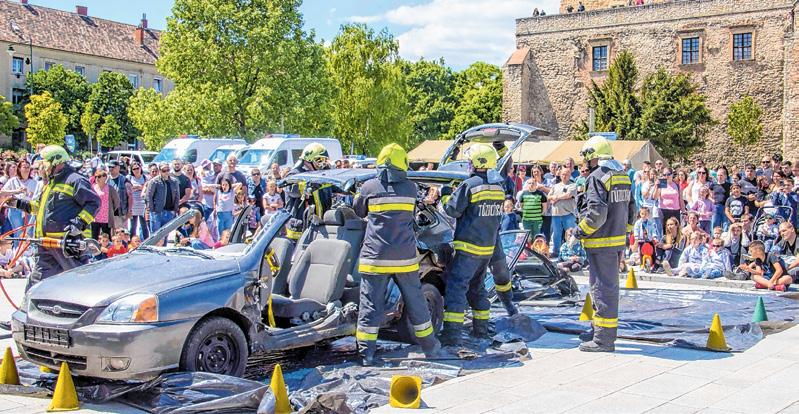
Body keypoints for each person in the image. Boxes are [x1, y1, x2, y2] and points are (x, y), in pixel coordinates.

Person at [353, 143, 441, 366]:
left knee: (370, 306)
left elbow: (358, 211)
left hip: (375, 258)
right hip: (404, 259)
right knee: (417, 303)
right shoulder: (410, 188)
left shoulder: (369, 187)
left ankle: (366, 354)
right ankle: (430, 348)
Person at [2, 146, 100, 290]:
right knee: (36, 283)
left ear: (56, 162)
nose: (42, 168)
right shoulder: (50, 184)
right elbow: (40, 207)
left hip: (66, 244)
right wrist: (18, 203)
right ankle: (32, 304)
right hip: (46, 244)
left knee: (79, 282)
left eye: (44, 163)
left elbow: (94, 203)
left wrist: (78, 223)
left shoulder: (75, 180)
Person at [438, 144, 505, 347]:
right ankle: (481, 331)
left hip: (468, 248)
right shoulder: (498, 188)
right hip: (486, 250)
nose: (468, 164)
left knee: (456, 289)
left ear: (476, 162)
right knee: (478, 289)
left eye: (469, 161)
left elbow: (452, 210)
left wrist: (445, 193)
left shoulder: (469, 185)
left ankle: (452, 335)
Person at [574, 136, 635, 353]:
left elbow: (596, 214)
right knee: (601, 287)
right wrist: (624, 234)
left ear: (592, 156)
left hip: (601, 241)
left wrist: (579, 231)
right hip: (615, 240)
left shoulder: (596, 177)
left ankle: (603, 339)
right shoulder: (621, 175)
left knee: (602, 289)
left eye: (586, 158)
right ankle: (597, 329)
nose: (585, 163)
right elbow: (632, 209)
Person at [284, 143, 332, 240]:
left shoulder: (322, 175)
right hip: (299, 228)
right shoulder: (294, 175)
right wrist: (311, 184)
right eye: (319, 160)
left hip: (319, 226)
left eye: (324, 161)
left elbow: (337, 188)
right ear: (308, 160)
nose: (322, 164)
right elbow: (293, 190)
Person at [549, 165, 578, 254]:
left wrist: (556, 198)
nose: (564, 176)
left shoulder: (573, 185)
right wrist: (554, 198)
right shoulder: (555, 186)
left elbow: (568, 195)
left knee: (571, 234)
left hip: (568, 214)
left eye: (566, 174)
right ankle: (556, 252)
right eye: (563, 174)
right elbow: (549, 196)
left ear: (570, 175)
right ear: (560, 175)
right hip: (556, 214)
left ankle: (573, 252)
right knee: (556, 235)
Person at [145, 163, 180, 234]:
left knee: (165, 234)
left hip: (169, 211)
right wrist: (152, 209)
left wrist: (175, 209)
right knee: (155, 234)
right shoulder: (154, 181)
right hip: (157, 212)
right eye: (164, 170)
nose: (166, 172)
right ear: (160, 171)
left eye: (168, 170)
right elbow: (149, 195)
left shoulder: (174, 181)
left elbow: (177, 196)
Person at [91, 169, 120, 239]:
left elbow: (117, 201)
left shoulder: (110, 188)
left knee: (106, 236)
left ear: (104, 177)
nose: (97, 178)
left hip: (106, 217)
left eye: (99, 176)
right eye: (95, 177)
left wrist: (112, 210)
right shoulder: (93, 187)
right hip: (95, 217)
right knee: (94, 237)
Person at [107, 160, 132, 231]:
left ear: (118, 168)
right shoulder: (106, 179)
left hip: (120, 213)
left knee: (121, 234)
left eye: (112, 167)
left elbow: (130, 197)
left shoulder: (125, 180)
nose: (110, 169)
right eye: (109, 167)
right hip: (108, 213)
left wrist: (129, 211)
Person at [128, 162, 149, 239]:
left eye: (138, 168)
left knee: (144, 225)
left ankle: (146, 241)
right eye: (134, 169)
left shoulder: (145, 177)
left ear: (140, 168)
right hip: (133, 204)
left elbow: (147, 188)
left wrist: (138, 187)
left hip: (143, 204)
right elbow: (128, 189)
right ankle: (132, 241)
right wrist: (140, 187)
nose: (136, 170)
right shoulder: (129, 178)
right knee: (133, 226)